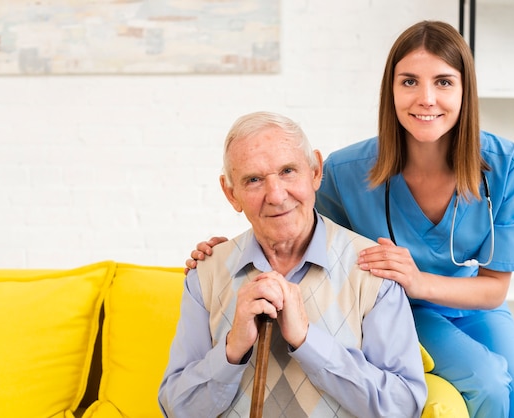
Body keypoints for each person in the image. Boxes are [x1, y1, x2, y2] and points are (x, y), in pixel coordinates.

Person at [185, 21, 514, 418]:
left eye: (444, 82)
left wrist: (419, 279)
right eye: (409, 82)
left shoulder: (505, 164)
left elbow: (494, 289)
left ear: (465, 91)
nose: (426, 98)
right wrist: (232, 254)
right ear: (390, 90)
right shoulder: (345, 171)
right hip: (403, 310)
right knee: (489, 382)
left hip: (475, 304)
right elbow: (292, 227)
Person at [159, 111, 427, 417]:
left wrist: (308, 341)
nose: (276, 195)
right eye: (254, 180)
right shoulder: (206, 272)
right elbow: (175, 408)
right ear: (232, 194)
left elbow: (403, 407)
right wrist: (232, 350)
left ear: (315, 172)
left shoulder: (373, 270)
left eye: (288, 171)